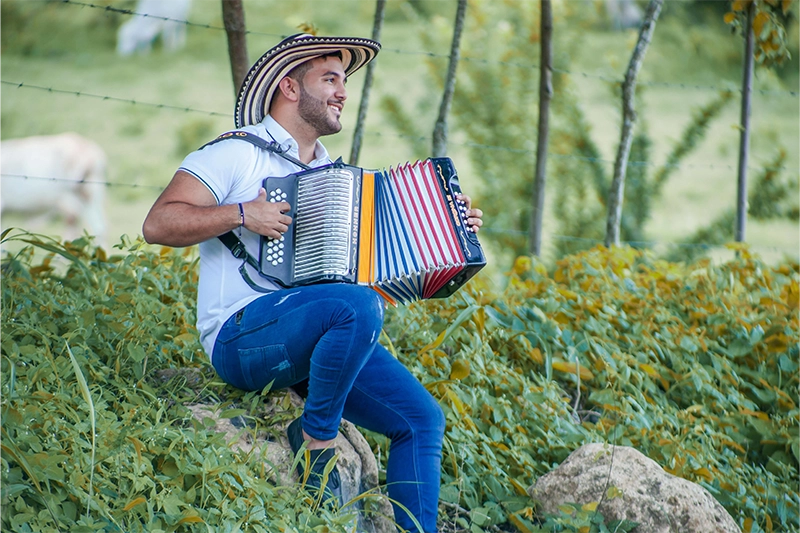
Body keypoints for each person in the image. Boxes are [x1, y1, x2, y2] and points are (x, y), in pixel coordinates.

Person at [142, 33, 483, 532]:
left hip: (316, 334)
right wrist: (242, 213)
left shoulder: (334, 177)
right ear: (289, 87)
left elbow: (365, 285)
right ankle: (316, 436)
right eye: (330, 78)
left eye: (344, 80)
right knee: (356, 307)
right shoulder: (236, 154)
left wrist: (448, 234)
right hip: (240, 337)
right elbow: (157, 224)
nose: (343, 91)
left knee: (421, 420)